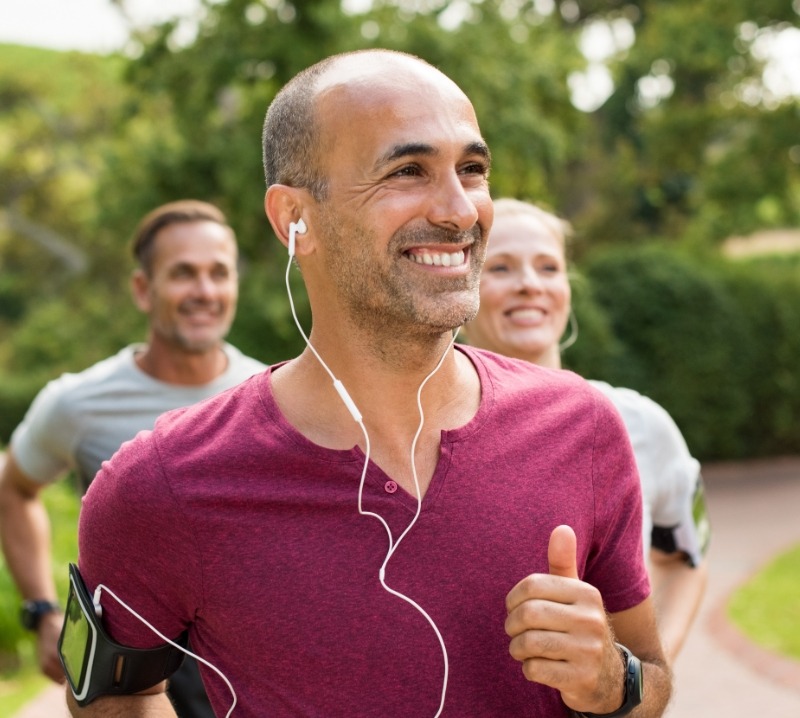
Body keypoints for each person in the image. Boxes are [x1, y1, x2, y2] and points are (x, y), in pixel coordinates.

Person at [67, 50, 672, 717]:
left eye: (472, 170)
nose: (459, 210)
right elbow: (110, 703)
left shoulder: (582, 427)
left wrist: (615, 683)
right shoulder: (161, 483)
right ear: (293, 219)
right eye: (408, 171)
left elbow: (656, 678)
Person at [0, 199, 266, 718]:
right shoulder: (78, 403)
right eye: (183, 274)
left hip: (246, 681)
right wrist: (42, 611)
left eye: (219, 273)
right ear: (143, 289)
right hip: (133, 680)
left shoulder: (270, 395)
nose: (205, 292)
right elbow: (14, 489)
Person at [463, 197, 710, 662]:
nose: (530, 285)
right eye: (500, 268)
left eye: (548, 267)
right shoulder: (421, 433)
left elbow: (685, 560)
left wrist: (639, 685)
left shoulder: (641, 424)